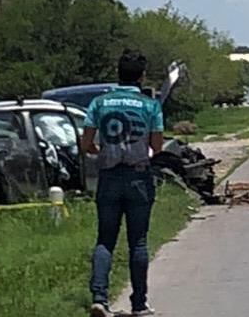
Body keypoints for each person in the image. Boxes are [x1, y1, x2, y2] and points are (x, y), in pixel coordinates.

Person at [80, 49, 164, 317]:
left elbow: (86, 144)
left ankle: (99, 299)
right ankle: (138, 304)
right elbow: (157, 145)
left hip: (109, 175)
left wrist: (100, 151)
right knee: (137, 241)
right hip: (139, 176)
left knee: (105, 239)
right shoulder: (151, 106)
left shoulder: (99, 103)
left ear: (118, 74)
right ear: (142, 76)